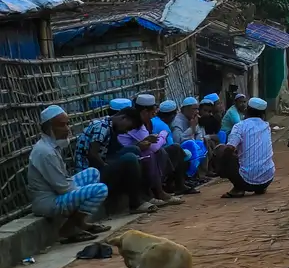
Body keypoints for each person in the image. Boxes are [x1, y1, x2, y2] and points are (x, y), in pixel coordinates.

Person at [28, 106, 110, 244]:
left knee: (93, 173)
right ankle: (68, 228)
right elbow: (62, 188)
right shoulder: (45, 152)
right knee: (100, 189)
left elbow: (63, 182)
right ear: (49, 128)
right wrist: (82, 194)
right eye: (61, 125)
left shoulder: (51, 147)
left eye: (67, 123)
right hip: (48, 202)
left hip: (58, 192)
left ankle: (80, 222)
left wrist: (80, 192)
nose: (67, 129)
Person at [75, 103, 155, 215]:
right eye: (129, 128)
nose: (126, 131)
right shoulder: (102, 127)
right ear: (123, 118)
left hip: (99, 167)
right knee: (130, 159)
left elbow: (118, 150)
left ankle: (144, 195)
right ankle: (135, 204)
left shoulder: (110, 126)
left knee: (134, 151)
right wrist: (108, 166)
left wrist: (139, 146)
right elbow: (92, 154)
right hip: (90, 173)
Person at [120, 96, 183, 207]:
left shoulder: (145, 123)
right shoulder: (135, 124)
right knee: (152, 153)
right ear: (145, 112)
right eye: (152, 112)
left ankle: (163, 189)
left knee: (167, 151)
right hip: (127, 157)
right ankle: (156, 192)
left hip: (135, 154)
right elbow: (153, 147)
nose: (154, 115)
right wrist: (163, 135)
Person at [217, 97, 275, 198]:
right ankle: (260, 187)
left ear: (247, 110)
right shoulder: (266, 126)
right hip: (268, 179)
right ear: (263, 113)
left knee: (221, 150)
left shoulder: (240, 126)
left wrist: (222, 168)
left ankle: (238, 188)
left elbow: (230, 148)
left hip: (246, 181)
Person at [152, 100, 197, 195]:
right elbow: (172, 144)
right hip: (158, 154)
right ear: (172, 115)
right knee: (178, 150)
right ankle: (179, 184)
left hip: (156, 153)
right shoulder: (163, 126)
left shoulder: (155, 121)